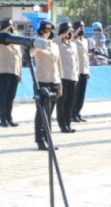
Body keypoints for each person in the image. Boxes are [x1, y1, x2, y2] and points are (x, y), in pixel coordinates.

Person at [31, 20, 61, 150]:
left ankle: (49, 139)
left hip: (54, 80)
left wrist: (60, 84)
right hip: (42, 80)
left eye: (50, 31)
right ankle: (40, 140)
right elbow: (30, 54)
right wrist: (39, 42)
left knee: (49, 113)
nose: (48, 33)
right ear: (41, 30)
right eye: (46, 30)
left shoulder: (54, 45)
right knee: (42, 111)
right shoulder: (37, 44)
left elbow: (58, 65)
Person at [0, 19, 22, 127]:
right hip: (2, 71)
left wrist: (19, 72)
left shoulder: (15, 40)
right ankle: (3, 119)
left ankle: (9, 117)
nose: (11, 28)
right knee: (3, 96)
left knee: (11, 96)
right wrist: (3, 31)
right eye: (9, 26)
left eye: (11, 26)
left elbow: (19, 57)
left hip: (14, 71)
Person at [54, 22, 79, 133]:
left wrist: (77, 75)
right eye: (68, 31)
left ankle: (68, 123)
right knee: (62, 101)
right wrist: (62, 35)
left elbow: (76, 61)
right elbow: (53, 41)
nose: (70, 33)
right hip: (63, 76)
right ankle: (62, 124)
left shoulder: (72, 44)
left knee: (70, 102)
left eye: (71, 31)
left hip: (72, 76)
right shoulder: (57, 43)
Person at [72, 20, 90, 122]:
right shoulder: (72, 40)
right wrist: (75, 33)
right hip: (76, 71)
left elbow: (86, 57)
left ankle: (78, 112)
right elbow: (70, 38)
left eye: (83, 27)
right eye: (79, 27)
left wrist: (88, 71)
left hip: (84, 70)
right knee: (74, 94)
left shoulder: (85, 41)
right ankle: (72, 113)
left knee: (81, 95)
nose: (82, 29)